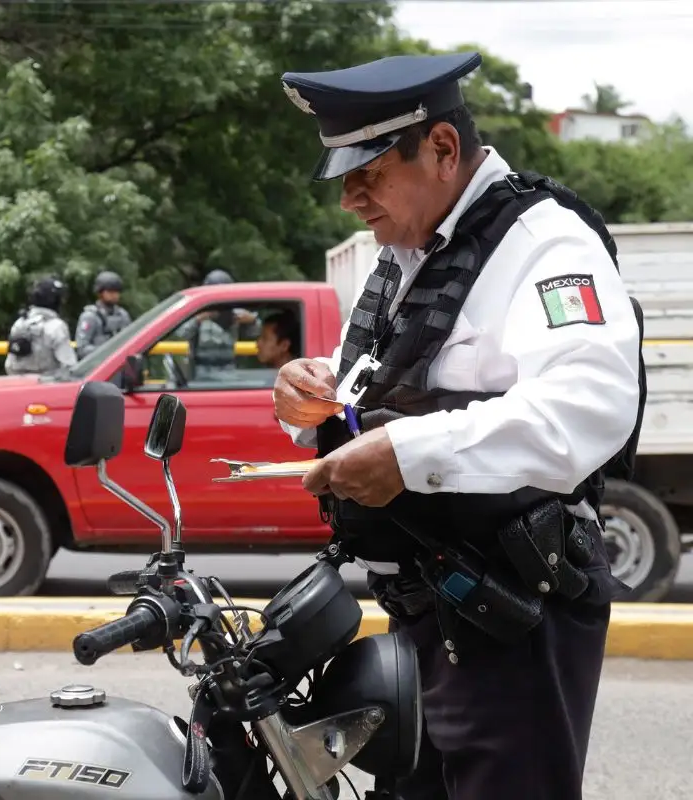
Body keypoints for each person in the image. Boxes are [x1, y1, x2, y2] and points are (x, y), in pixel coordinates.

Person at [273, 52, 643, 800]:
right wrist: (307, 398)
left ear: (442, 148)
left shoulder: (545, 244)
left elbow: (589, 403)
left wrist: (408, 454)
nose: (349, 199)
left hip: (510, 617)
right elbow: (373, 386)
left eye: (368, 172)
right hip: (422, 607)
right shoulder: (407, 254)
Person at [4, 274, 78, 376]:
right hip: (49, 383)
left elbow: (9, 365)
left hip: (19, 383)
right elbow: (69, 366)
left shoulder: (20, 323)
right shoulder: (57, 326)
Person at [75, 270, 132, 358]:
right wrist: (107, 351)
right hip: (98, 364)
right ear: (100, 292)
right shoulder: (90, 317)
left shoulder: (123, 315)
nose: (114, 295)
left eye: (116, 291)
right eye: (110, 291)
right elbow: (82, 348)